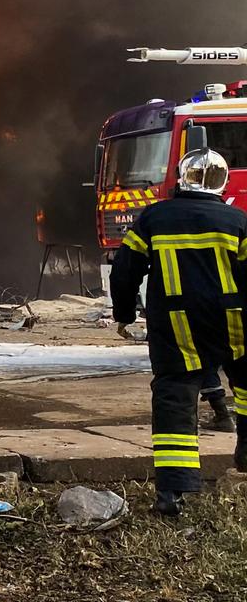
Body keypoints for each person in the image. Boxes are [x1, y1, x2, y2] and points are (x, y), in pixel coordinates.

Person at [111, 147, 247, 515]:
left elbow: (125, 269)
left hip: (176, 323)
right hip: (234, 322)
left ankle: (174, 493)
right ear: (222, 183)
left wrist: (123, 313)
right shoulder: (237, 220)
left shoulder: (154, 217)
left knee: (175, 399)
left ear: (182, 178)